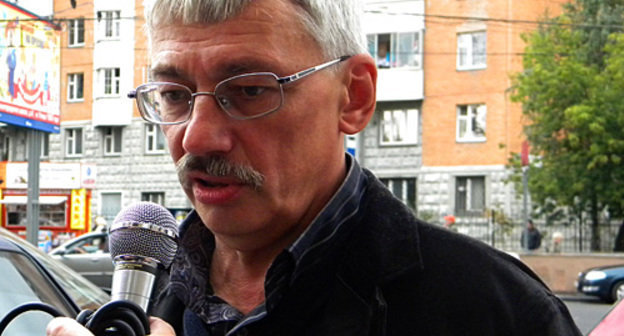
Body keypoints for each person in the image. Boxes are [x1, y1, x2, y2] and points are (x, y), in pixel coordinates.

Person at [47, 0, 581, 335]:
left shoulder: (495, 314)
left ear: (354, 97)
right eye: (173, 94)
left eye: (250, 90)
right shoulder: (140, 300)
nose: (197, 134)